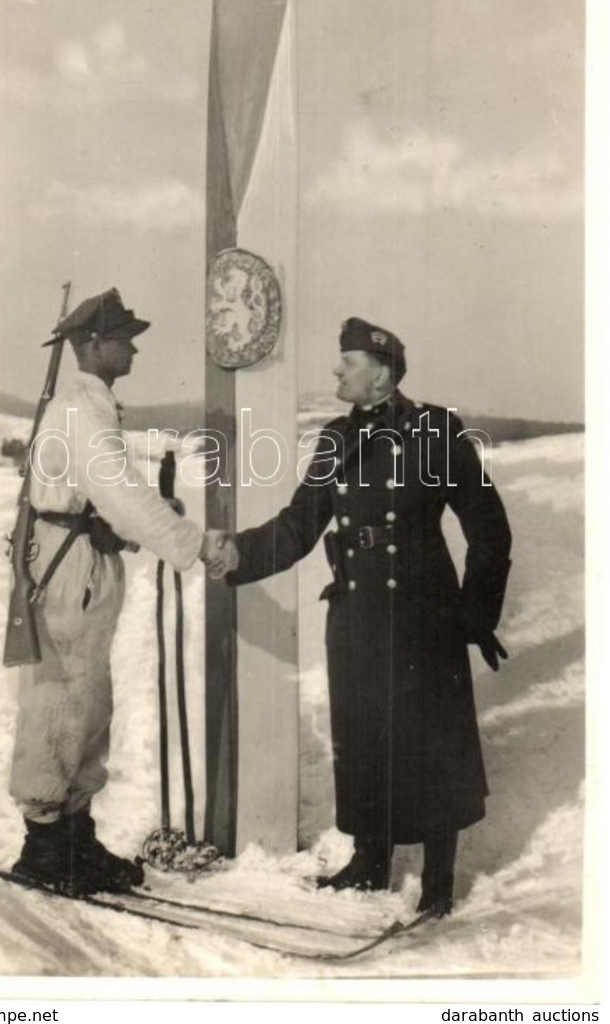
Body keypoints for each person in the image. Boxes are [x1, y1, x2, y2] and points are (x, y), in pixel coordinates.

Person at [213, 317, 512, 916]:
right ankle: (370, 863)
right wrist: (235, 553)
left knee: (430, 741)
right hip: (357, 613)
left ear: (379, 371)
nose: (336, 372)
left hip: (423, 614)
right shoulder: (335, 440)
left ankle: (438, 881)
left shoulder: (433, 431)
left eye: (346, 363)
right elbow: (299, 526)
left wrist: (474, 614)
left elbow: (488, 529)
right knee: (365, 736)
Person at [8, 288, 223, 896]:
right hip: (68, 572)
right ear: (94, 344)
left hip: (81, 560)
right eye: (124, 337)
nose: (133, 346)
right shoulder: (81, 408)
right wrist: (193, 542)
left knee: (86, 699)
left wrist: (138, 521)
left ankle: (74, 839)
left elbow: (110, 496)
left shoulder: (88, 403)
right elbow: (121, 496)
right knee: (61, 699)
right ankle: (45, 848)